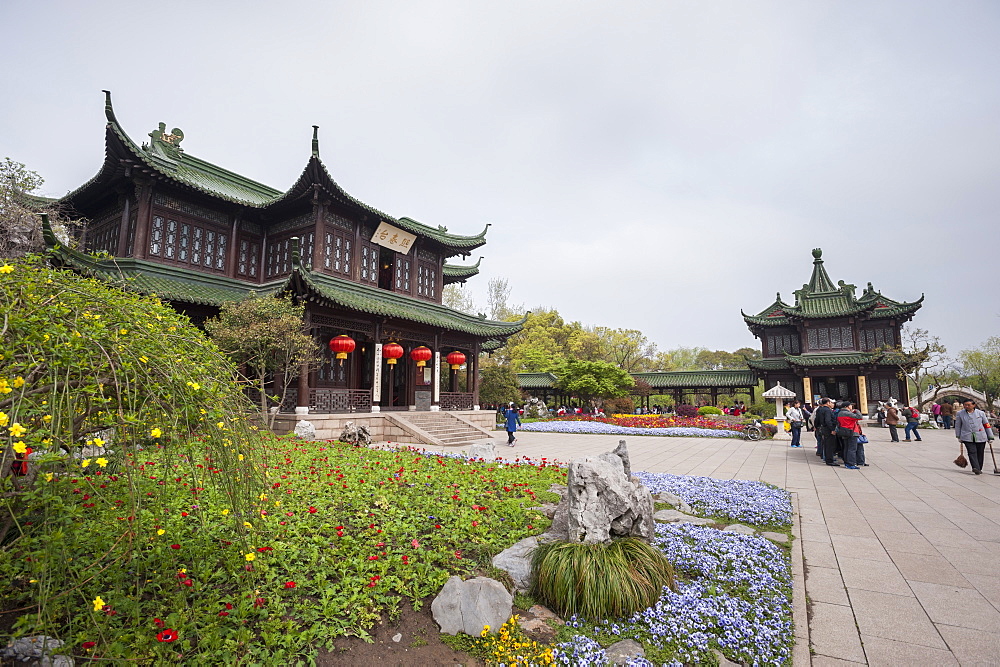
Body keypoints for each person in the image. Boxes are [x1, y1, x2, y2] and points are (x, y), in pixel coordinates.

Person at [955, 399, 994, 475]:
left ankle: (979, 467)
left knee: (980, 452)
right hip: (967, 436)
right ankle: (975, 467)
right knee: (971, 452)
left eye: (968, 405)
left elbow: (986, 424)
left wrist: (990, 436)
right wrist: (958, 435)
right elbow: (958, 425)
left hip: (980, 435)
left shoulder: (981, 413)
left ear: (974, 405)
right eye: (965, 405)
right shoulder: (960, 413)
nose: (966, 406)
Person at [837, 401, 866, 469]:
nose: (851, 407)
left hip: (845, 431)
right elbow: (859, 417)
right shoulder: (847, 413)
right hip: (851, 431)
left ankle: (847, 462)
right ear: (847, 406)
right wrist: (857, 411)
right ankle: (851, 463)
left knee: (846, 448)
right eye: (850, 405)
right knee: (852, 448)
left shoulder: (840, 413)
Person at [814, 398, 839, 466]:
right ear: (828, 403)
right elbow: (828, 421)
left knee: (826, 444)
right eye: (831, 402)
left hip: (823, 428)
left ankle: (828, 459)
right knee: (830, 445)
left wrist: (816, 426)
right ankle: (829, 460)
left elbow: (817, 419)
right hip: (828, 429)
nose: (832, 404)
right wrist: (832, 429)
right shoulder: (827, 410)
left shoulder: (820, 409)